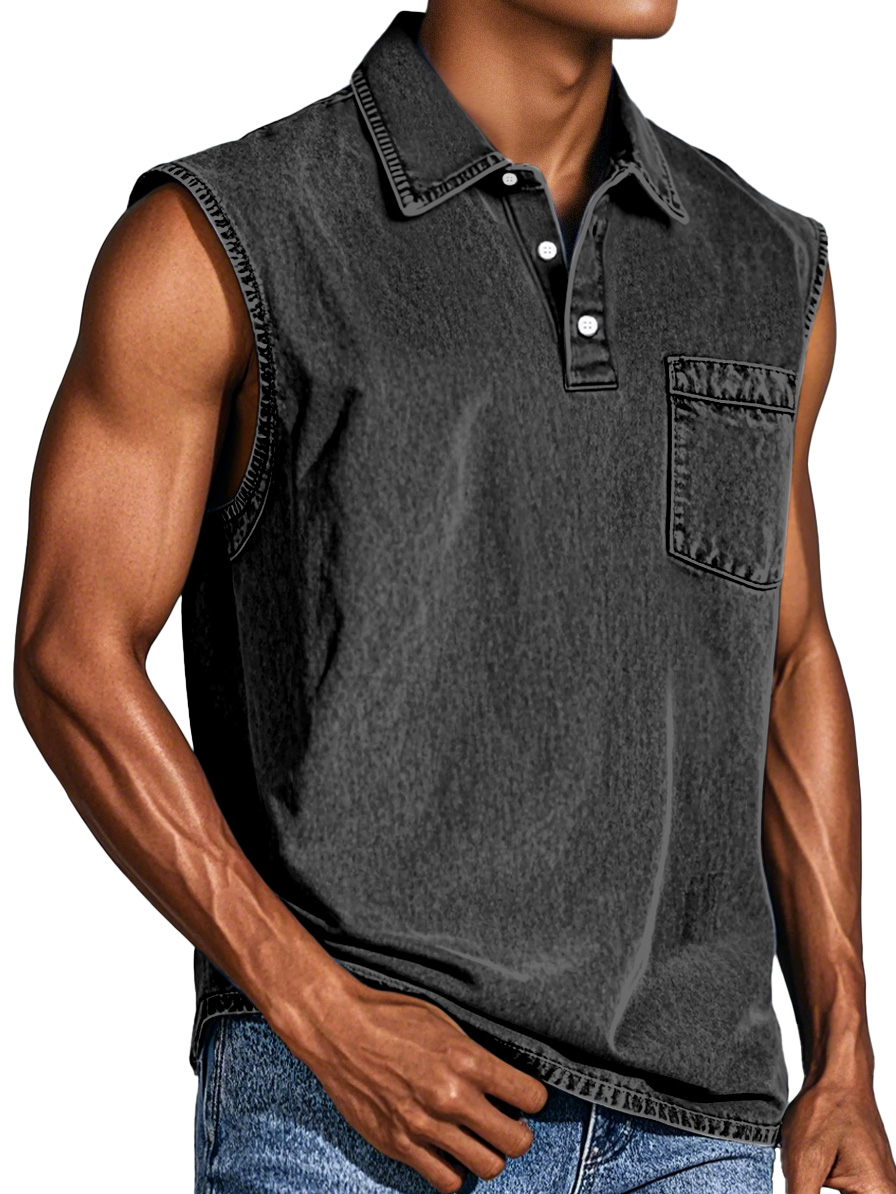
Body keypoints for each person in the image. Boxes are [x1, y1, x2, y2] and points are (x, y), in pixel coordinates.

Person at [12, 2, 896, 1192]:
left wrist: (842, 1053)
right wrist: (315, 1009)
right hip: (357, 1120)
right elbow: (70, 651)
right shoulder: (228, 235)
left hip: (695, 1133)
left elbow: (785, 659)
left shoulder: (763, 264)